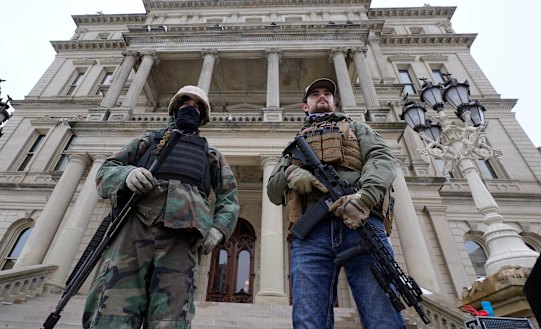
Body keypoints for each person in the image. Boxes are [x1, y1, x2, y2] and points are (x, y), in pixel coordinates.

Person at [83, 85, 240, 329]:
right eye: (186, 103)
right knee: (113, 312)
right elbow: (105, 172)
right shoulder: (147, 140)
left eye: (198, 106)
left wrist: (219, 229)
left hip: (182, 239)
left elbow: (229, 197)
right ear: (175, 108)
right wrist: (127, 174)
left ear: (204, 116)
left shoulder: (211, 155)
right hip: (134, 231)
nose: (191, 108)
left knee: (171, 319)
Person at [267, 78, 405, 329]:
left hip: (361, 223)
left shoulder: (357, 128)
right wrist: (291, 175)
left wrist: (365, 198)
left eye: (327, 93)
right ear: (304, 107)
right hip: (310, 233)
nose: (322, 96)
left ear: (334, 101)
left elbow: (382, 159)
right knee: (309, 319)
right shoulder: (294, 147)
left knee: (381, 313)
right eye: (315, 94)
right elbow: (273, 192)